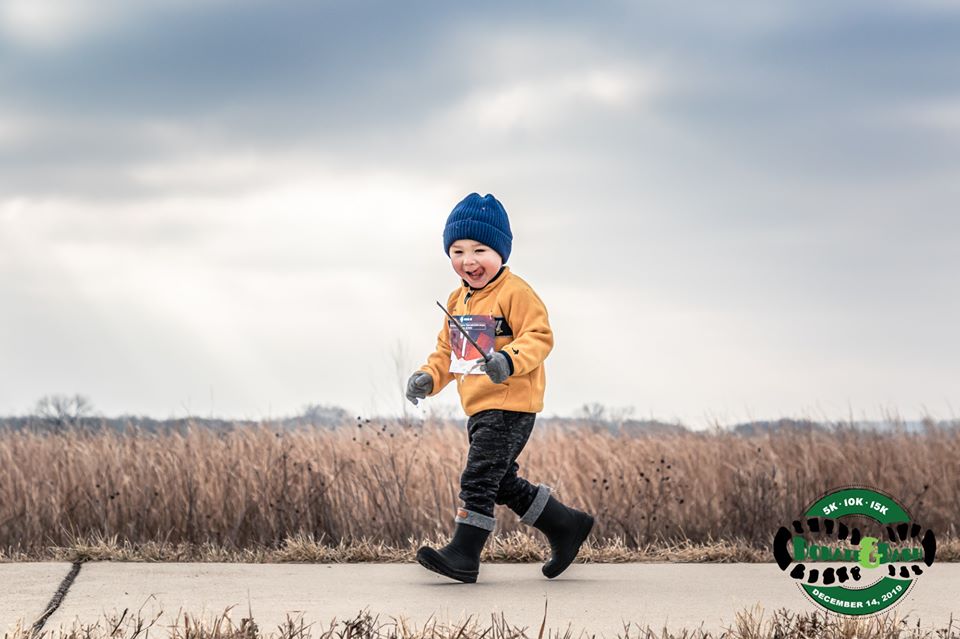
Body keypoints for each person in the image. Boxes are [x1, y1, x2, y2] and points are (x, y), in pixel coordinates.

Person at [406, 192, 594, 583]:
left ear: (501, 252)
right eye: (457, 251)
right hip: (477, 406)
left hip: (511, 402)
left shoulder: (515, 292)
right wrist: (429, 377)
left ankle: (464, 554)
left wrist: (508, 360)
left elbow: (539, 337)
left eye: (479, 250)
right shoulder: (458, 300)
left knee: (477, 478)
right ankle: (566, 525)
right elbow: (447, 354)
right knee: (499, 479)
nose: (468, 260)